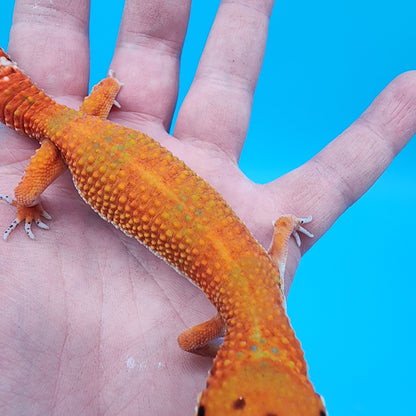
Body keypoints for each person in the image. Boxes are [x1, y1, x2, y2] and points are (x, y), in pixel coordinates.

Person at [1, 1, 415, 415]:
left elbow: (283, 232)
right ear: (317, 403)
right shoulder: (245, 303)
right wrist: (28, 207)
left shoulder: (271, 276)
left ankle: (106, 89)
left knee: (81, 113)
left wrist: (287, 228)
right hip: (67, 143)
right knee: (26, 196)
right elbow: (185, 343)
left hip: (91, 124)